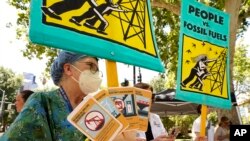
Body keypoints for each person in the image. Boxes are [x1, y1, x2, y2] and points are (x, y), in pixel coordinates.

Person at [0, 50, 102, 140]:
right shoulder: (42, 101)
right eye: (91, 66)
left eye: (97, 71)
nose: (95, 74)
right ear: (68, 69)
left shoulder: (94, 108)